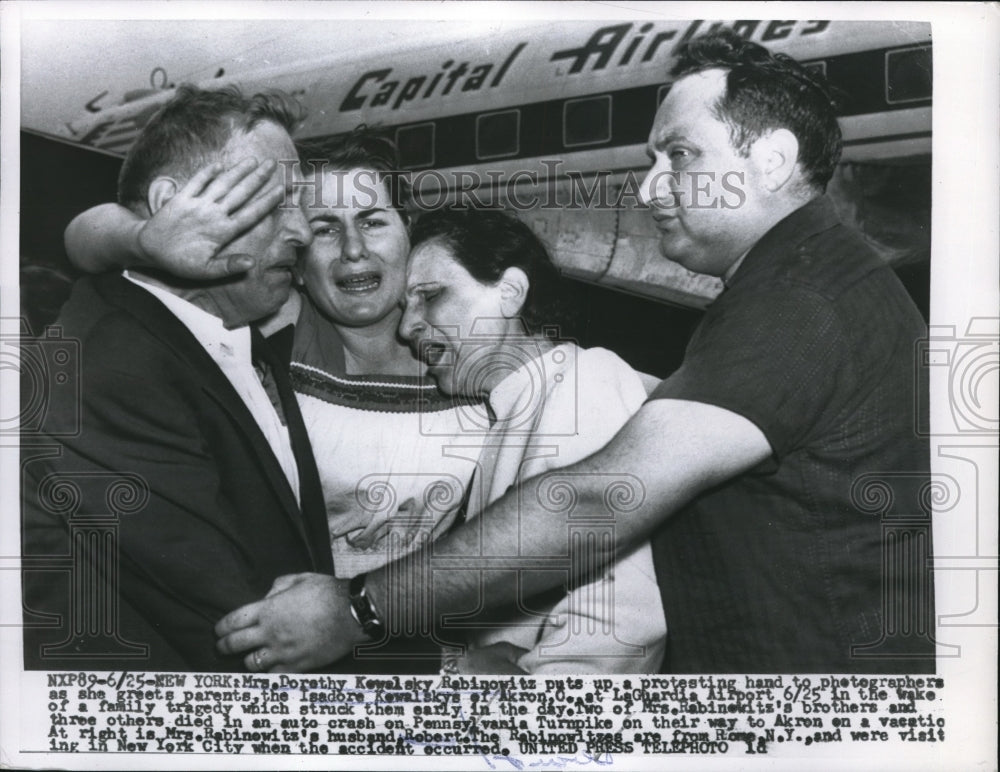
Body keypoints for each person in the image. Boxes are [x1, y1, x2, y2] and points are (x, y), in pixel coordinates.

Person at [215, 29, 933, 675]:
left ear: (772, 160)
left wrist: (354, 612)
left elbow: (600, 500)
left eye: (678, 155)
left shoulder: (799, 302)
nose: (648, 187)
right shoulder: (800, 283)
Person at [59, 127, 481, 672]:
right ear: (298, 253)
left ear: (408, 235)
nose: (354, 250)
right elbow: (79, 239)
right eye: (325, 229)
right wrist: (143, 237)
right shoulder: (261, 353)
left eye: (373, 221)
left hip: (459, 653)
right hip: (328, 661)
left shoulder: (477, 352)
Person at [21, 85, 333, 671]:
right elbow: (240, 628)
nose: (304, 231)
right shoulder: (111, 368)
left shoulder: (232, 335)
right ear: (175, 205)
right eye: (275, 201)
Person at [400, 208, 666, 674]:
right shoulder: (515, 410)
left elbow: (617, 617)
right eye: (406, 305)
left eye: (429, 295)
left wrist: (533, 698)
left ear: (511, 292)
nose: (407, 327)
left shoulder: (586, 380)